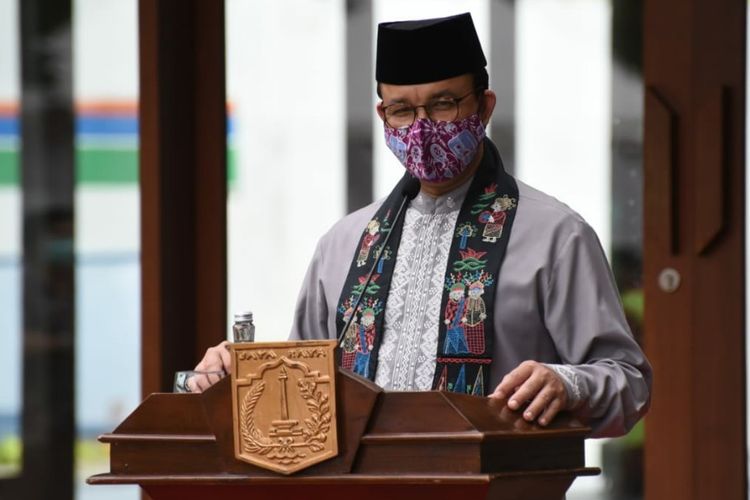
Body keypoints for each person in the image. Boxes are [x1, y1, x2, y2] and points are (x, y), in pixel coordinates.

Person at [191, 12, 651, 438]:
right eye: (402, 110)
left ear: (484, 106)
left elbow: (628, 382)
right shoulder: (343, 244)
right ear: (382, 116)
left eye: (444, 104)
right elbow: (302, 391)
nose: (422, 127)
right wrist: (239, 375)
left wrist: (568, 383)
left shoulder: (555, 236)